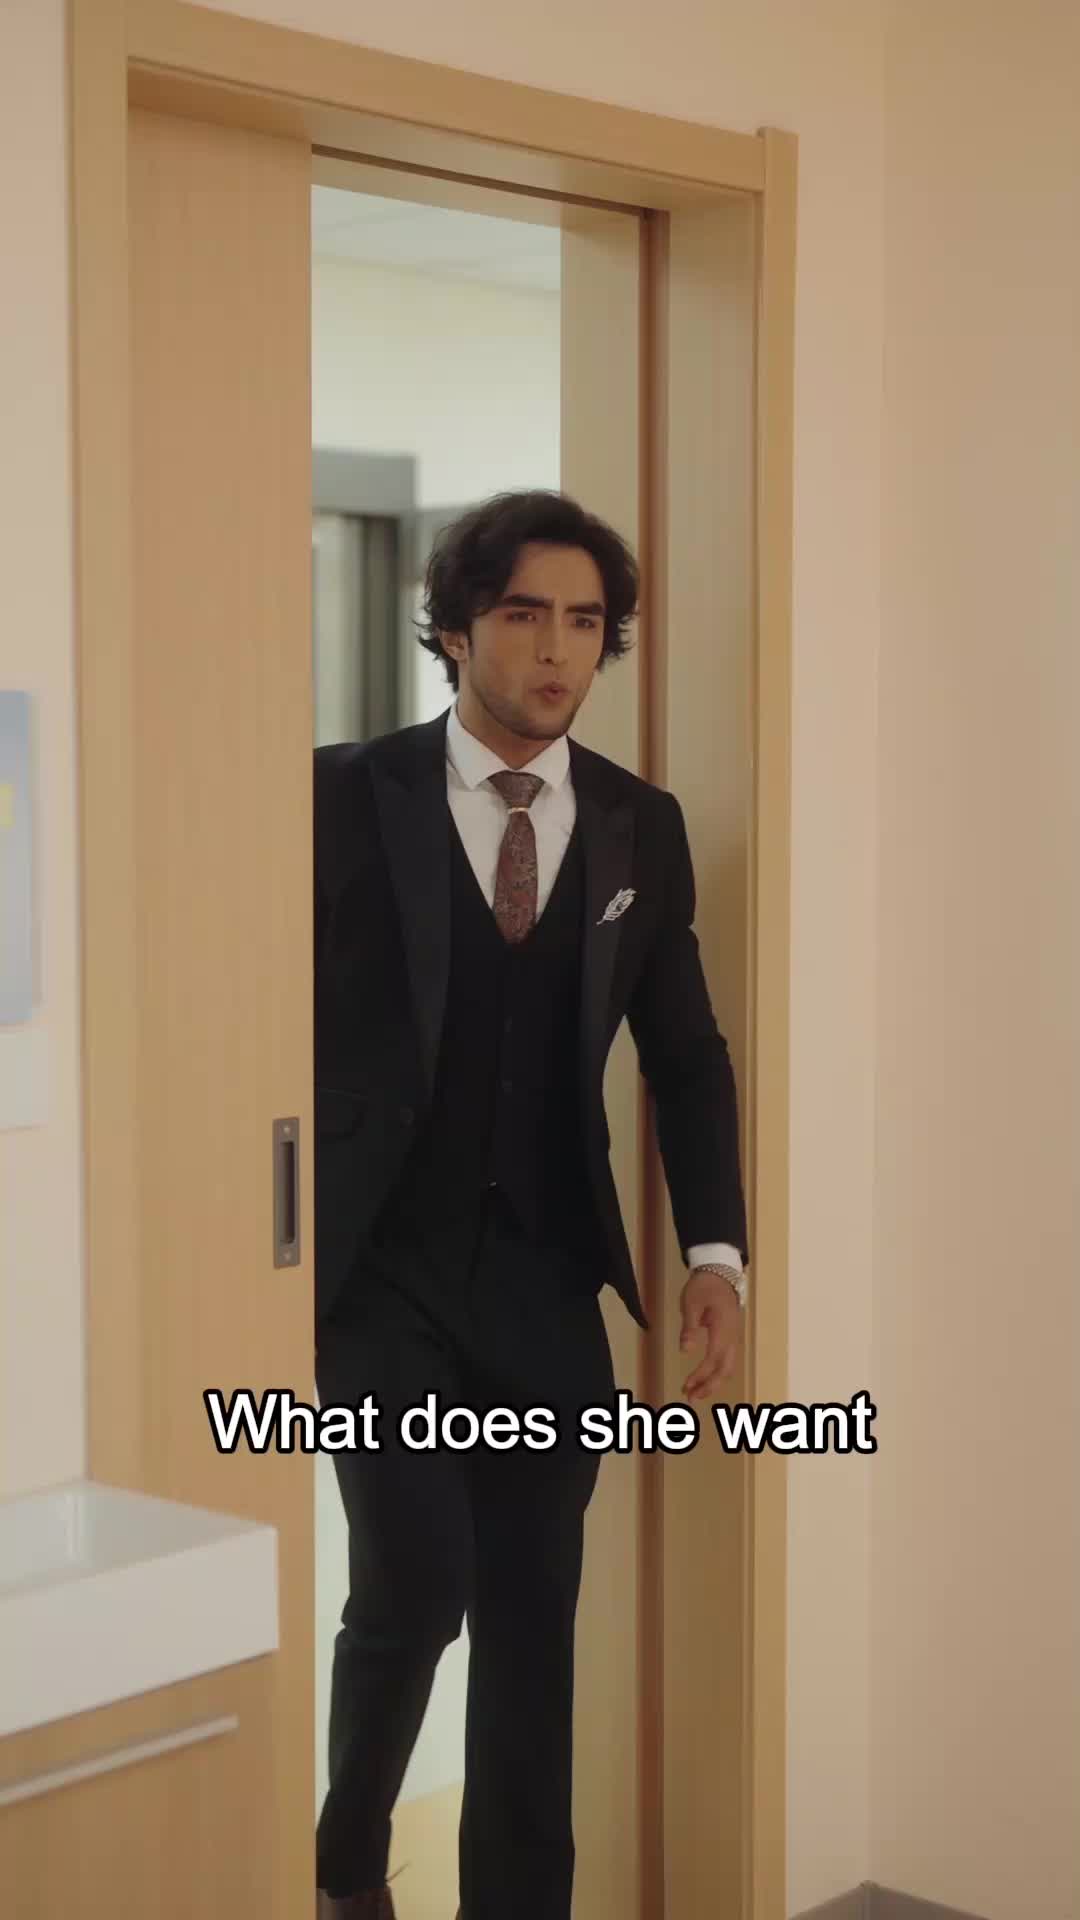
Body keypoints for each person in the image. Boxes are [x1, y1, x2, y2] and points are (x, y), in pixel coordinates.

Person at [312, 489, 750, 1920]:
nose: (556, 650)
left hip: (550, 1280)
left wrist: (716, 1255)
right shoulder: (337, 795)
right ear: (454, 628)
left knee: (531, 1623)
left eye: (582, 622)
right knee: (413, 1585)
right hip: (379, 1273)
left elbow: (685, 1056)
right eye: (521, 614)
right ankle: (344, 1868)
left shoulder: (637, 825)